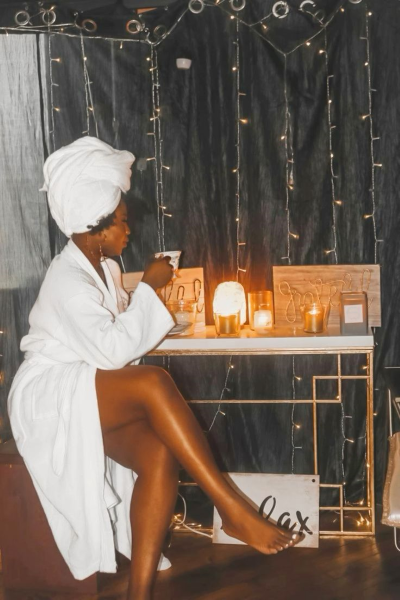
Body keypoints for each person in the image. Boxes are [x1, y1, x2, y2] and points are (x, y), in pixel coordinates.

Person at [8, 137, 300, 600]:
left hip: (85, 389)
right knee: (154, 380)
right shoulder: (66, 278)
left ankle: (138, 594)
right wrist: (150, 287)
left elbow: (117, 336)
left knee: (159, 457)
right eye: (121, 222)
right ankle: (230, 507)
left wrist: (143, 294)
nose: (128, 230)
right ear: (95, 227)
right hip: (49, 396)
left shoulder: (101, 267)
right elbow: (110, 352)